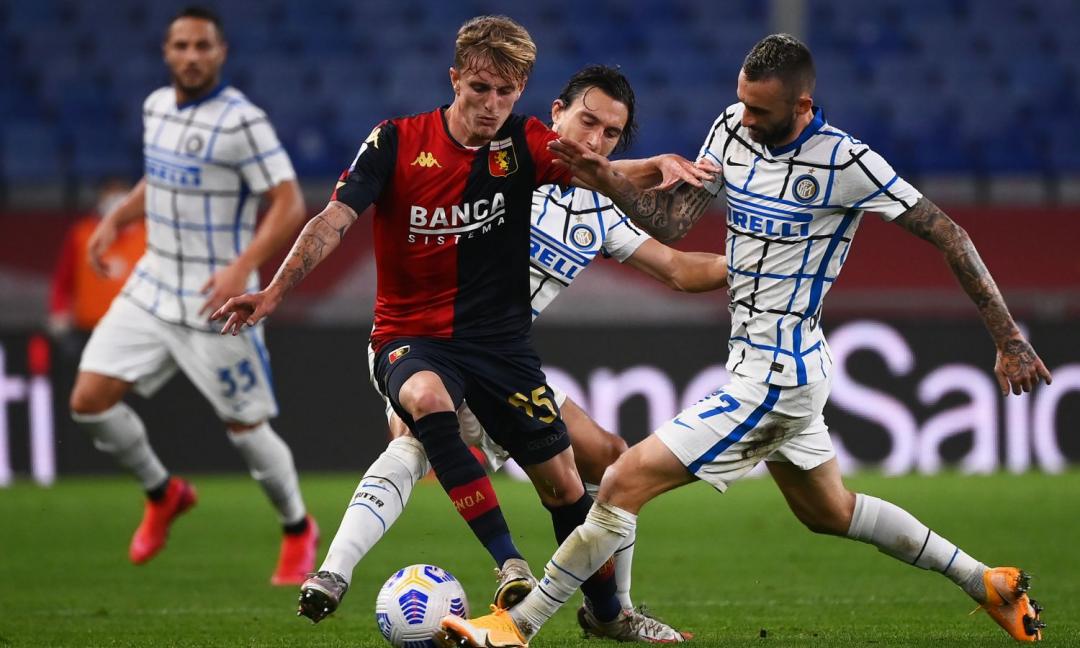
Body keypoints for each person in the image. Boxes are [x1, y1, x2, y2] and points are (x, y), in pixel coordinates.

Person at [440, 33, 1052, 647]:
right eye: (741, 101)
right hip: (764, 365)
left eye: (760, 109)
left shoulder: (847, 163)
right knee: (829, 511)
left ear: (803, 107)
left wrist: (1009, 339)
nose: (744, 116)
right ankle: (986, 582)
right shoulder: (733, 128)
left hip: (779, 376)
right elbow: (672, 222)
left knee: (623, 479)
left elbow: (951, 235)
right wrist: (608, 177)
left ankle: (517, 627)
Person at [214, 16, 712, 642]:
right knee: (423, 411)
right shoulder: (397, 141)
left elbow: (605, 181)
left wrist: (656, 173)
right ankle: (458, 565)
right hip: (412, 336)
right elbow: (333, 218)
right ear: (455, 79)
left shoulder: (528, 149)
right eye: (481, 89)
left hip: (500, 348)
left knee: (570, 480)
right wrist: (275, 289)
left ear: (524, 93)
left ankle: (610, 614)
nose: (493, 106)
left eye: (507, 94)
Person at [68, 6, 318, 585]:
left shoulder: (242, 122)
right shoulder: (156, 106)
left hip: (217, 300)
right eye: (181, 45)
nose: (191, 55)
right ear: (167, 52)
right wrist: (117, 220)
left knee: (247, 429)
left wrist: (242, 268)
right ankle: (164, 493)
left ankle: (298, 527)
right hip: (153, 286)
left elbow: (288, 204)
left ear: (220, 52)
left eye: (203, 45)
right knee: (88, 402)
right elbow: (159, 176)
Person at [49, 178, 145, 338]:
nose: (115, 201)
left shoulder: (147, 233)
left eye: (120, 194)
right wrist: (59, 310)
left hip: (135, 326)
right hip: (89, 326)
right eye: (110, 195)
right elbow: (64, 278)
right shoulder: (82, 233)